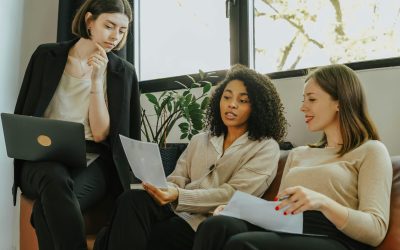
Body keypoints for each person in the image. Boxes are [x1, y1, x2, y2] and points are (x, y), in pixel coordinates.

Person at [192, 64, 393, 250]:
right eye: (303, 100)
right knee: (216, 225)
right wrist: (237, 209)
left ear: (339, 102)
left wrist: (322, 202)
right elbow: (278, 211)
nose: (303, 107)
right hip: (289, 228)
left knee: (243, 244)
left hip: (334, 238)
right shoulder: (299, 154)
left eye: (312, 99)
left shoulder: (371, 150)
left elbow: (375, 229)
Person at [93, 64, 288, 250]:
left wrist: (179, 195)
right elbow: (178, 178)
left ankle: (106, 240)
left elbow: (234, 195)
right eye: (227, 97)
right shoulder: (200, 140)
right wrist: (164, 188)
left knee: (131, 234)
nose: (232, 105)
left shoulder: (265, 147)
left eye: (243, 100)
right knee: (131, 199)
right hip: (175, 209)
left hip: (207, 221)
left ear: (258, 107)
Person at [13, 0, 140, 249]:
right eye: (109, 26)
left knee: (45, 210)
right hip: (42, 157)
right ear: (90, 21)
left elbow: (103, 133)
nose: (115, 36)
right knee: (54, 178)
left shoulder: (122, 72)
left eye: (122, 30)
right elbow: (25, 112)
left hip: (92, 159)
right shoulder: (45, 56)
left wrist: (96, 81)